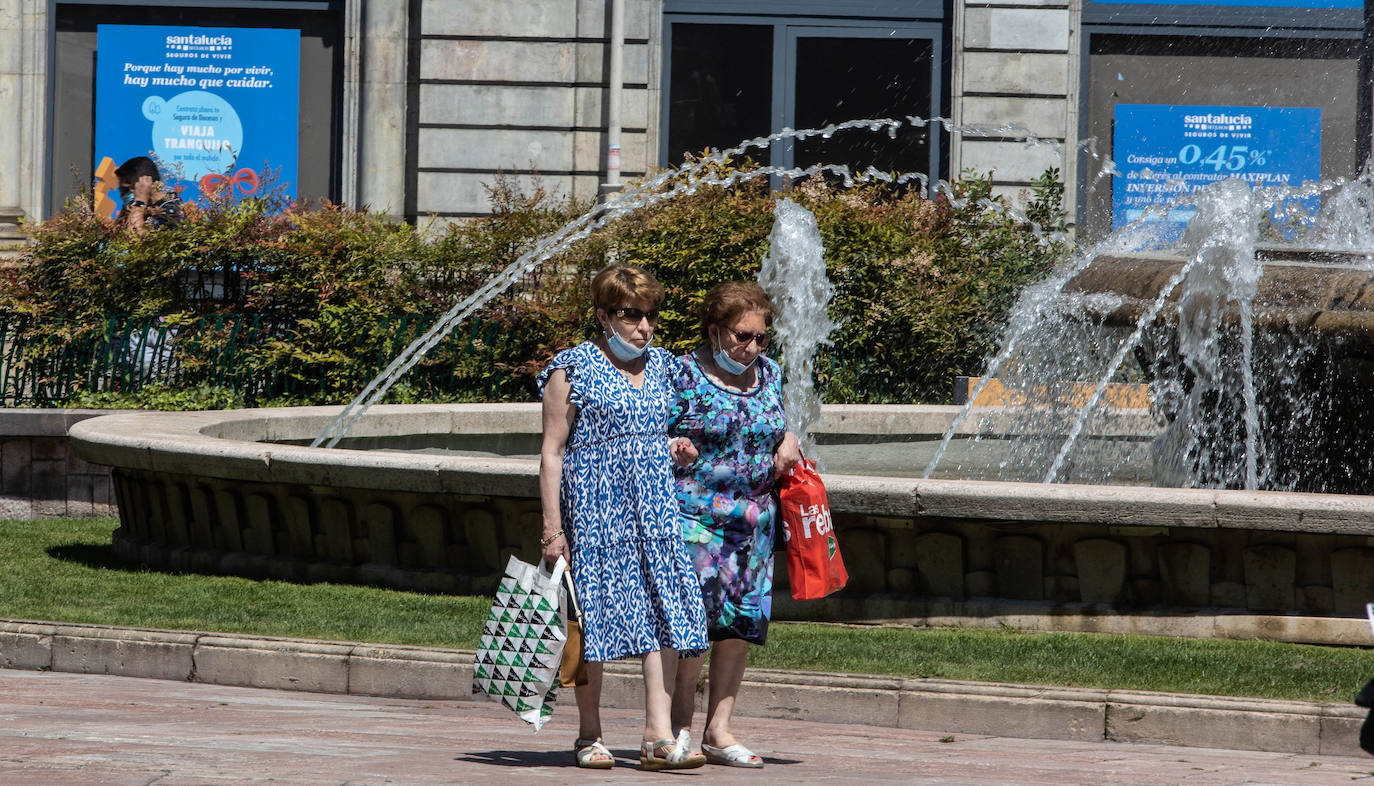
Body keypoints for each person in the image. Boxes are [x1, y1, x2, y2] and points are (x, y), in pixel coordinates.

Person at [537, 264, 709, 772]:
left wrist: (679, 446)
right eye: (631, 315)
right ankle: (589, 732)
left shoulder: (662, 367)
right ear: (603, 314)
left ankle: (657, 734)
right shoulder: (573, 367)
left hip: (654, 507)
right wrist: (553, 530)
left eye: (650, 315)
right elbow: (551, 453)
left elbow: (671, 428)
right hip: (595, 511)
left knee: (665, 610)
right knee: (594, 622)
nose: (644, 326)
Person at [667, 280, 801, 768]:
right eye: (743, 336)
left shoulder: (769, 373)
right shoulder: (680, 373)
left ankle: (719, 730)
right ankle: (678, 726)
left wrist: (789, 437)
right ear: (715, 330)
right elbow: (652, 432)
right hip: (695, 519)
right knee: (691, 628)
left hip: (754, 523)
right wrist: (674, 446)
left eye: (761, 338)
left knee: (738, 627)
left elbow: (774, 424)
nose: (752, 347)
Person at [114, 156, 183, 232]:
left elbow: (133, 238)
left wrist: (139, 202)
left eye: (124, 190)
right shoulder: (150, 210)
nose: (122, 196)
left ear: (142, 184)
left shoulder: (167, 211)